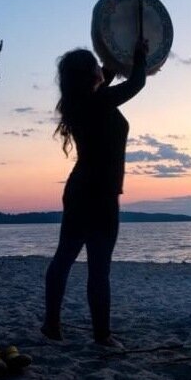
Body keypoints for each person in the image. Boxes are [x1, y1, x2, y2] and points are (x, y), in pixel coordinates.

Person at [42, 38, 148, 348]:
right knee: (98, 268)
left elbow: (104, 85)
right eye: (94, 68)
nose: (98, 72)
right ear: (89, 76)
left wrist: (110, 67)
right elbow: (137, 83)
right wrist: (139, 55)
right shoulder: (98, 103)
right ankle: (101, 336)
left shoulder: (79, 103)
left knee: (64, 259)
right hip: (100, 195)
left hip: (82, 191)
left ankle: (52, 325)